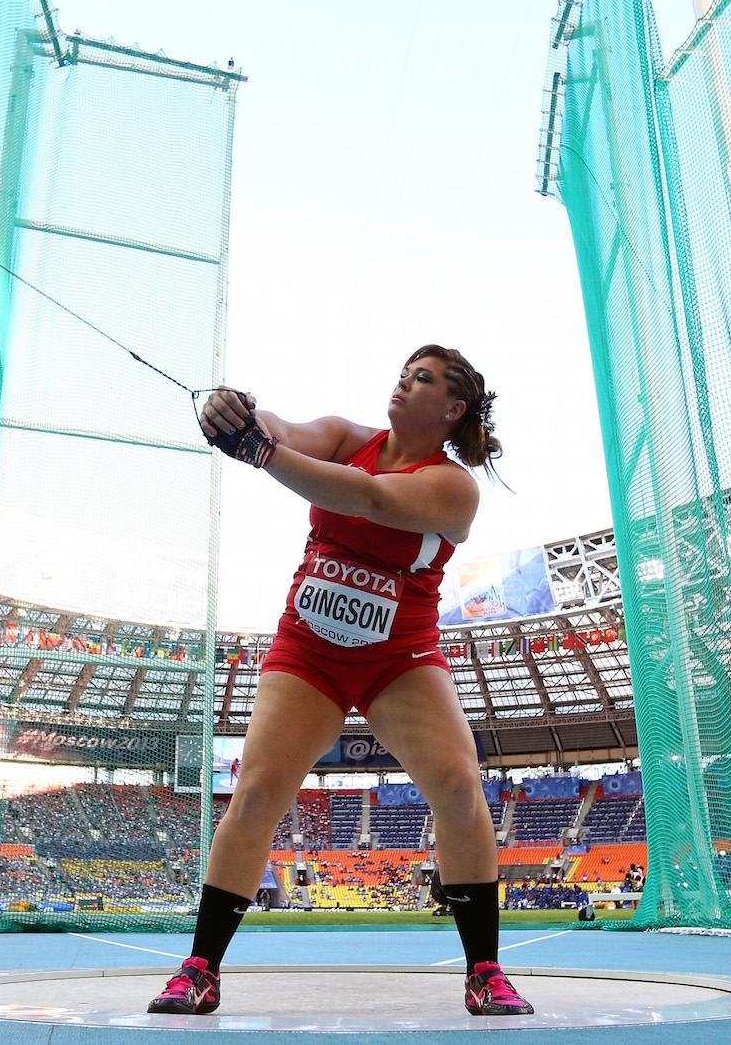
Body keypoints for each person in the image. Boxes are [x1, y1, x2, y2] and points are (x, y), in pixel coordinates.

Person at [148, 346, 533, 1017]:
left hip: (400, 657)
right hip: (309, 649)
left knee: (457, 782)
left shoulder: (455, 486)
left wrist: (258, 452)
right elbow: (284, 428)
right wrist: (239, 413)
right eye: (404, 371)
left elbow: (369, 497)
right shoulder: (345, 436)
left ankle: (485, 971)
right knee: (259, 789)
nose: (404, 382)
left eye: (424, 379)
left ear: (452, 408)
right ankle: (200, 966)